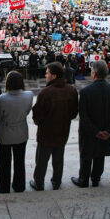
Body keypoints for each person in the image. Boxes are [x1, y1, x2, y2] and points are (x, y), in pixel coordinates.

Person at [71, 60, 110, 188]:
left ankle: (83, 179)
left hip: (89, 132)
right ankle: (96, 178)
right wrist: (108, 131)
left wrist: (95, 132)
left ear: (94, 74)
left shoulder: (85, 91)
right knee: (100, 155)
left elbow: (83, 115)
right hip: (106, 131)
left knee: (86, 155)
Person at [31, 62, 78, 191]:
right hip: (63, 131)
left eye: (47, 73)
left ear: (54, 75)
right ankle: (56, 181)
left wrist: (40, 122)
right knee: (58, 159)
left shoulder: (45, 92)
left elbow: (37, 115)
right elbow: (74, 113)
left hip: (46, 133)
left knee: (41, 161)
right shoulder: (72, 90)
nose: (45, 75)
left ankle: (38, 182)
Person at [0, 71, 34, 193]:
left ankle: (3, 186)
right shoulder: (29, 95)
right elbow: (27, 112)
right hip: (21, 131)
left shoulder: (1, 99)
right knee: (19, 161)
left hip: (5, 132)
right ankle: (19, 185)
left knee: (4, 162)